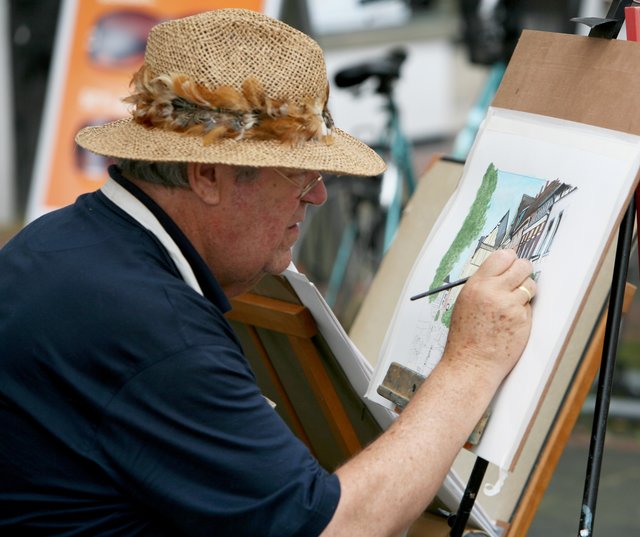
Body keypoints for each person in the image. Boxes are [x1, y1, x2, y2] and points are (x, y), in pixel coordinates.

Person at [0, 9, 536, 537]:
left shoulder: (62, 241)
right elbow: (336, 530)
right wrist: (471, 363)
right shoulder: (155, 327)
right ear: (208, 174)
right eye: (300, 173)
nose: (319, 194)